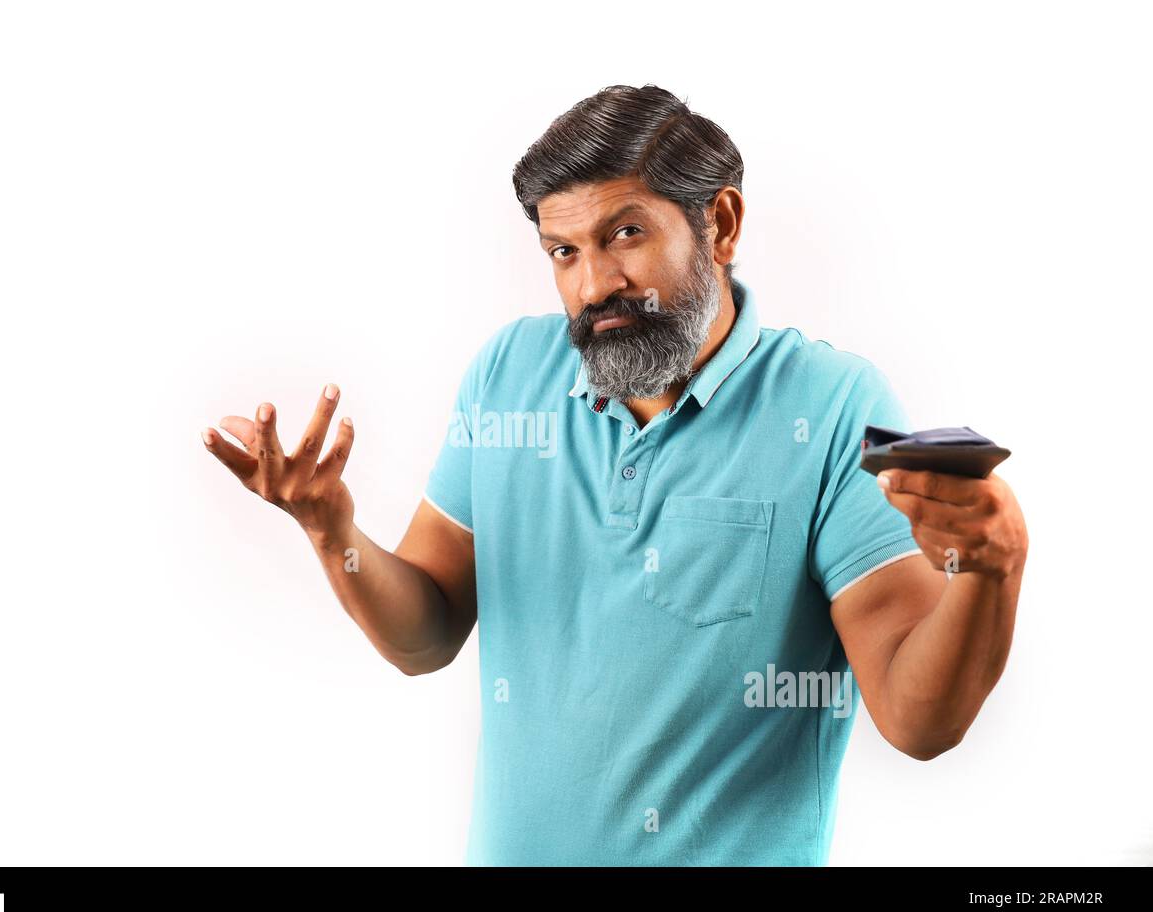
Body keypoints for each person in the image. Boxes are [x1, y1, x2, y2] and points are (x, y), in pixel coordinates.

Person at [202, 84, 1029, 865]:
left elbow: (919, 721)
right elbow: (427, 634)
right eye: (564, 251)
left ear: (722, 223)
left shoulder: (834, 403)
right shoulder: (509, 374)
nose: (594, 284)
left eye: (625, 235)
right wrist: (330, 529)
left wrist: (992, 571)